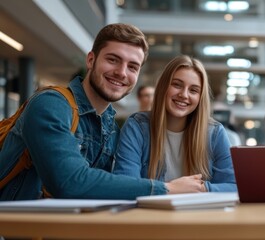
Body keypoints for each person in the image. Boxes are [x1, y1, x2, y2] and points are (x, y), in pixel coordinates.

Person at [0, 23, 194, 200]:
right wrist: (167, 189)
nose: (121, 72)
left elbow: (109, 187)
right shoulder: (50, 105)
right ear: (91, 60)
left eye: (132, 67)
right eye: (113, 60)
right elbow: (70, 182)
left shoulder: (111, 127)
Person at [113, 55, 237, 192]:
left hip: (200, 213)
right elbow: (125, 185)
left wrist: (199, 188)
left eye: (193, 90)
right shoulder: (137, 127)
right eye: (177, 85)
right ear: (163, 87)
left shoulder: (214, 133)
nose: (184, 95)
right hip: (150, 213)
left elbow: (234, 186)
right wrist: (170, 188)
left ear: (200, 98)